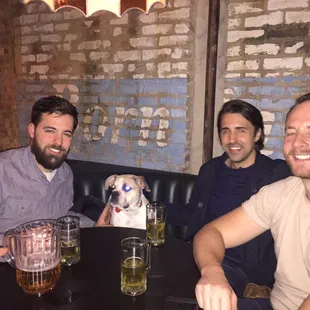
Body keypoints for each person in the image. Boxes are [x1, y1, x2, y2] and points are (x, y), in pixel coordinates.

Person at [97, 99, 291, 296]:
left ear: (257, 134)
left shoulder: (276, 173)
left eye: (241, 130)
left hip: (243, 270)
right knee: (130, 276)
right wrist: (142, 209)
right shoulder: (210, 170)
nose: (232, 139)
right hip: (197, 255)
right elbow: (191, 213)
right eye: (225, 131)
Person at [194, 92, 310, 309]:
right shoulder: (280, 192)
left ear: (257, 134)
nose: (298, 144)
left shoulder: (275, 172)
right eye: (291, 132)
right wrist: (212, 272)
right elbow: (209, 231)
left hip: (248, 273)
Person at [0, 96, 94, 245]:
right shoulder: (3, 170)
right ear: (32, 130)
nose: (58, 142)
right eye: (50, 131)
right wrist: (9, 241)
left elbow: (60, 216)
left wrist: (97, 228)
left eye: (66, 134)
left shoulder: (65, 173)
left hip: (54, 262)